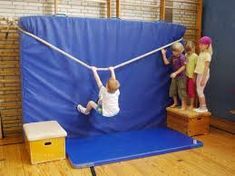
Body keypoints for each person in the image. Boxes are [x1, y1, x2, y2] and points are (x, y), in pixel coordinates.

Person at [161, 42, 187, 110]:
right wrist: (164, 54)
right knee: (173, 89)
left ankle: (184, 105)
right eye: (173, 51)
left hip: (181, 76)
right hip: (175, 76)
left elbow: (184, 67)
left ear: (180, 51)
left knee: (181, 90)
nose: (174, 53)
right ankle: (175, 102)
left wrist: (176, 73)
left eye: (176, 51)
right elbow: (166, 62)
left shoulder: (182, 57)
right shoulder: (173, 56)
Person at [194, 36, 213, 113]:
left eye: (202, 44)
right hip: (200, 73)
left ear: (207, 45)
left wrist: (203, 79)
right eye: (200, 44)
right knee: (198, 90)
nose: (200, 46)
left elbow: (206, 68)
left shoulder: (207, 55)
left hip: (203, 74)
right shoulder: (202, 53)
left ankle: (204, 108)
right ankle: (201, 107)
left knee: (200, 90)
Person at [185, 41, 198, 110]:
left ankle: (191, 104)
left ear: (193, 48)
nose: (188, 52)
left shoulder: (195, 56)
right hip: (186, 76)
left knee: (191, 91)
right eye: (187, 51)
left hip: (191, 77)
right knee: (186, 90)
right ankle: (187, 104)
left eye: (190, 50)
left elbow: (196, 67)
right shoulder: (186, 55)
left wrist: (194, 76)